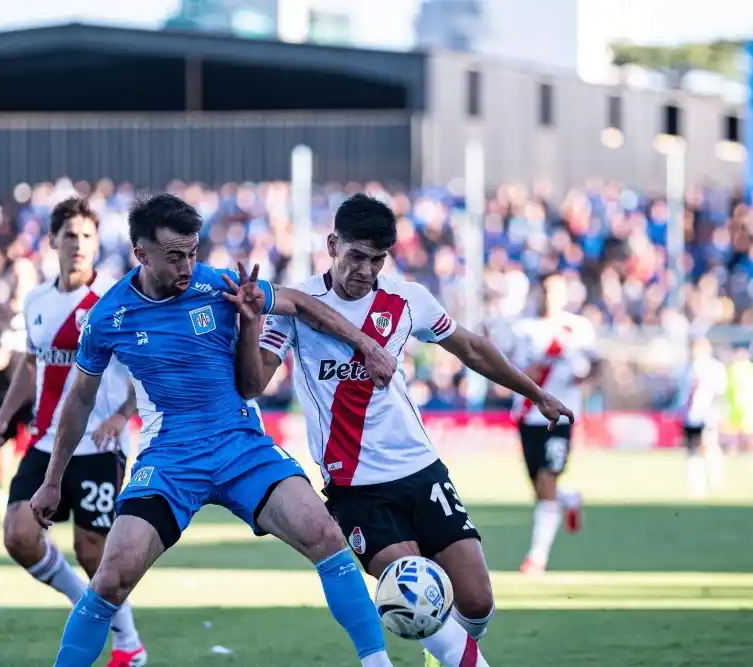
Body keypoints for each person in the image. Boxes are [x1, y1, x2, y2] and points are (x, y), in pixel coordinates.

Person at [29, 192, 401, 667]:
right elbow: (79, 398)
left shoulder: (222, 287)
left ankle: (378, 664)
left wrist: (366, 345)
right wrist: (52, 480)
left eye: (193, 252)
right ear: (141, 254)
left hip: (241, 447)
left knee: (327, 538)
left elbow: (302, 305)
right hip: (170, 458)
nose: (188, 266)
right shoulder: (109, 316)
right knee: (112, 576)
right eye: (174, 256)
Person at [238, 193, 573, 667]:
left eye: (377, 260)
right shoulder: (297, 305)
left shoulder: (407, 299)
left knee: (477, 601)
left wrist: (534, 393)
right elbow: (252, 384)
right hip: (356, 487)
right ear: (333, 244)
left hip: (421, 471)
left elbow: (472, 349)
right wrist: (250, 328)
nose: (366, 271)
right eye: (356, 256)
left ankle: (439, 654)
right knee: (414, 591)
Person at [0, 197, 147, 667]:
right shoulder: (36, 300)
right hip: (44, 439)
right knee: (18, 534)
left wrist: (122, 414)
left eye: (87, 237)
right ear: (53, 240)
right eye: (70, 235)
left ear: (97, 245)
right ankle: (90, 609)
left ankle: (129, 645)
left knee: (93, 552)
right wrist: (1, 421)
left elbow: (144, 366)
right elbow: (31, 366)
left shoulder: (115, 300)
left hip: (99, 443)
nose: (78, 244)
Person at [509, 274, 597, 575]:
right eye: (545, 291)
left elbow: (597, 361)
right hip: (527, 415)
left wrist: (584, 381)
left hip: (561, 416)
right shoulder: (523, 329)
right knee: (539, 488)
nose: (549, 296)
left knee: (547, 482)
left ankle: (536, 558)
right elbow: (510, 368)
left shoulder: (578, 328)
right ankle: (569, 498)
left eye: (555, 291)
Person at [0, 302, 33, 559]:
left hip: (36, 402)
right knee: (0, 469)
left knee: (38, 465)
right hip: (4, 401)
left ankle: (34, 526)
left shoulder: (46, 306)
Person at [674, 338, 727, 498]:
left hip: (707, 415)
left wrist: (717, 414)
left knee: (708, 447)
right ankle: (696, 486)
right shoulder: (687, 368)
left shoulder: (715, 368)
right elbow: (683, 394)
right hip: (690, 416)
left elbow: (719, 393)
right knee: (691, 450)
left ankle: (715, 481)